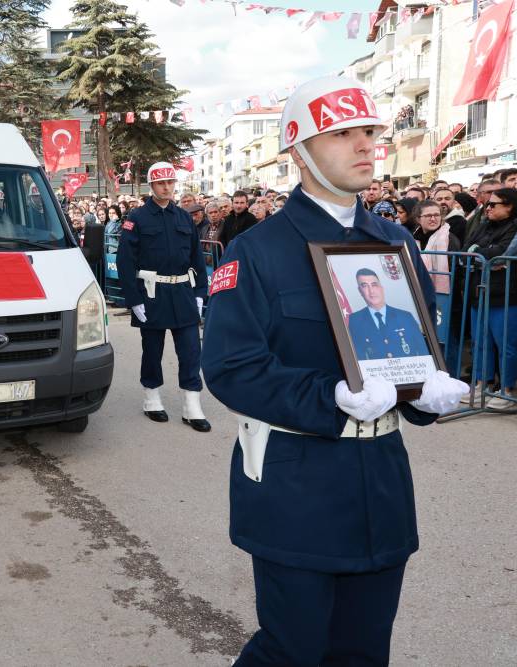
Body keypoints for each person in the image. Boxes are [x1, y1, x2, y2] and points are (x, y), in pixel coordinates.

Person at [201, 76, 468, 666]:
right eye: (341, 134)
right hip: (298, 486)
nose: (365, 145)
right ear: (298, 152)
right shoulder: (259, 250)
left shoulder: (395, 243)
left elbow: (412, 347)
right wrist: (330, 396)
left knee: (365, 651)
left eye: (370, 132)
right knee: (291, 651)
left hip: (381, 481)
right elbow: (230, 367)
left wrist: (426, 391)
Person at [116, 162, 211, 431]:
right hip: (152, 292)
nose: (167, 187)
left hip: (182, 291)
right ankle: (152, 399)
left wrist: (200, 292)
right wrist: (133, 299)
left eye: (170, 182)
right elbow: (125, 262)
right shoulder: (137, 218)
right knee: (152, 351)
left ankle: (192, 406)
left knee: (191, 350)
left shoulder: (183, 217)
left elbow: (197, 258)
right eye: (161, 183)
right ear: (151, 185)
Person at [465, 187, 517, 409]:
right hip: (481, 291)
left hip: (505, 294)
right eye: (487, 204)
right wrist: (482, 253)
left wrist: (481, 253)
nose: (488, 208)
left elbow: (499, 255)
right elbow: (469, 248)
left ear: (509, 206)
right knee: (480, 342)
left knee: (506, 344)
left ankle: (508, 390)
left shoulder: (513, 227)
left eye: (493, 204)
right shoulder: (485, 225)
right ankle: (481, 385)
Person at [347, 268, 428, 360]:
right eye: (365, 286)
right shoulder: (355, 320)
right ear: (360, 291)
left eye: (374, 285)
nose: (371, 291)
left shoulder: (406, 317)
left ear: (381, 288)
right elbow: (357, 358)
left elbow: (423, 353)